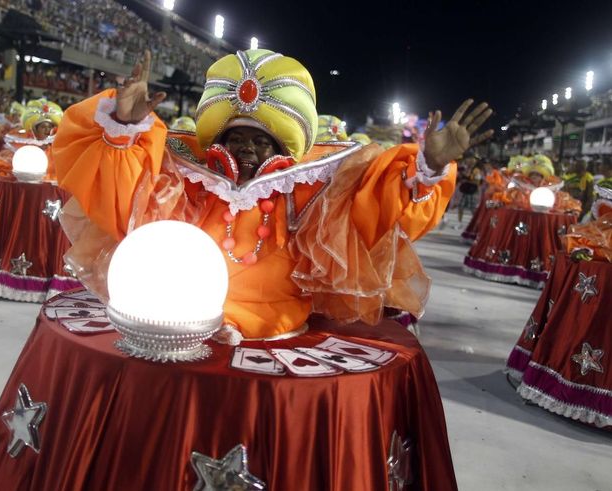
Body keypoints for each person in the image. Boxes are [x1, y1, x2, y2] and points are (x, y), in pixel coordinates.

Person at [53, 50, 493, 342]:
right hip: (182, 314)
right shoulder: (190, 176)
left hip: (278, 326)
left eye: (261, 141)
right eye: (238, 136)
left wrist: (428, 167)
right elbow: (126, 198)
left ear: (283, 147)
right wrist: (123, 128)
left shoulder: (313, 184)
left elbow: (377, 206)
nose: (247, 149)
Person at [0, 98, 62, 179]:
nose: (47, 130)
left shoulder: (54, 147)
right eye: (43, 127)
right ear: (35, 129)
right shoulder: (22, 141)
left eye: (50, 127)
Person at [457, 155, 482, 224]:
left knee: (472, 208)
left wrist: (467, 180)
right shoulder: (466, 169)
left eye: (470, 160)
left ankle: (477, 222)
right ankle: (460, 222)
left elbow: (477, 181)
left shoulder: (476, 170)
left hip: (472, 191)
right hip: (465, 190)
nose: (468, 161)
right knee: (460, 206)